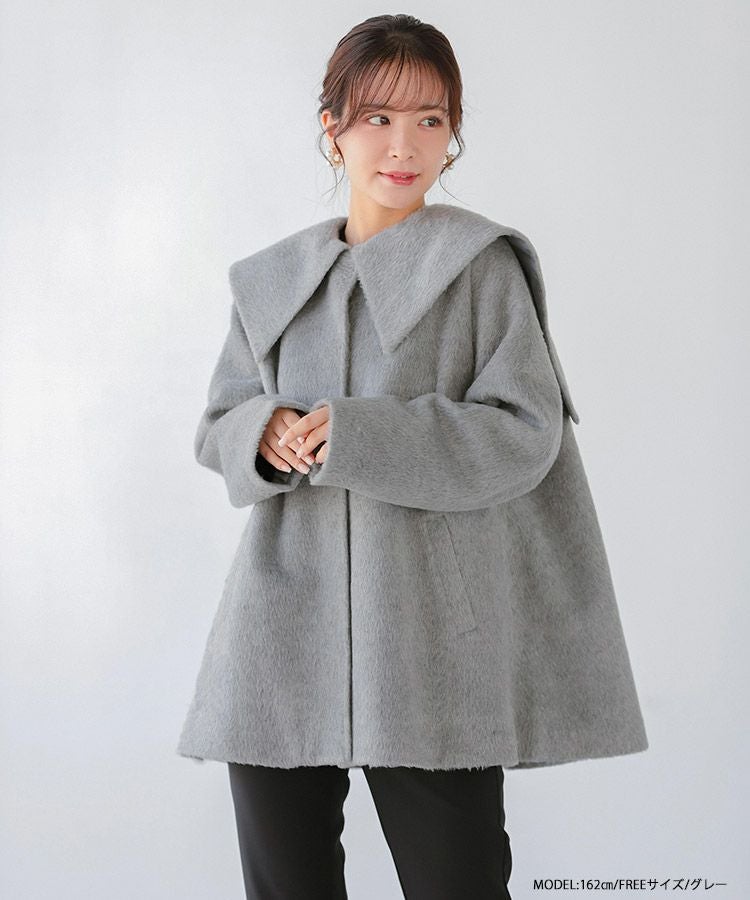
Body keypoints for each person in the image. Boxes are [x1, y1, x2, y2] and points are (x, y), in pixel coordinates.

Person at [177, 14, 649, 900]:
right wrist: (264, 433)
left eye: (431, 119)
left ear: (453, 131)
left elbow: (524, 432)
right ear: (333, 128)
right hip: (281, 635)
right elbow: (218, 423)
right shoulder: (273, 280)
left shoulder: (480, 268)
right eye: (378, 118)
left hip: (430, 643)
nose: (405, 146)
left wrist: (359, 434)